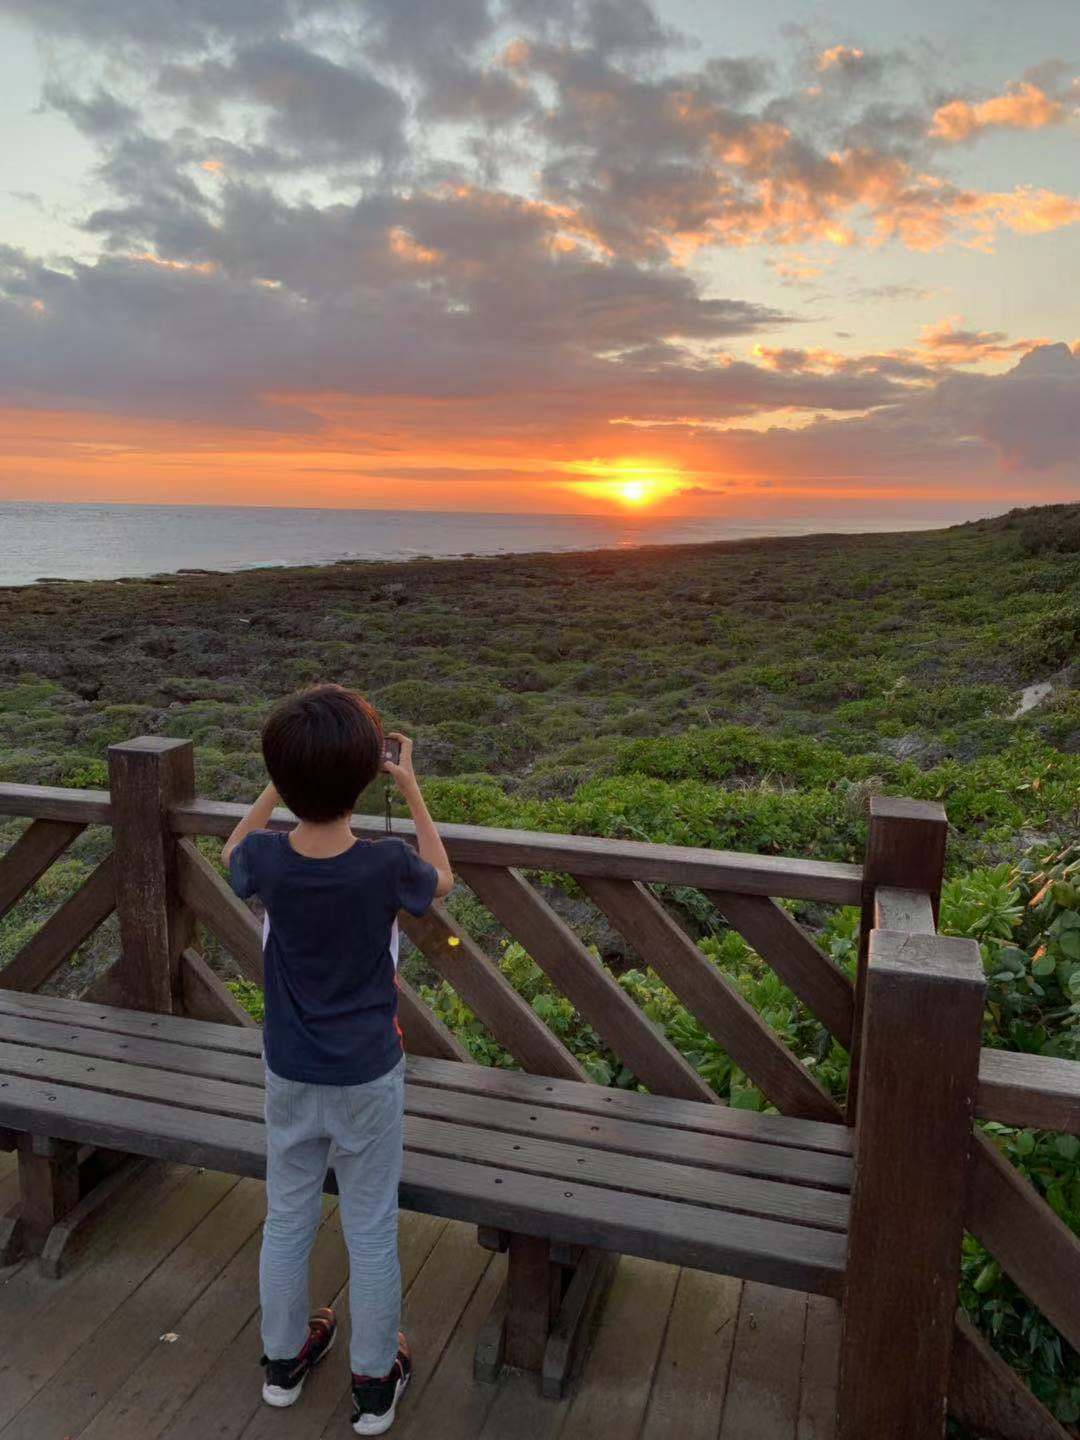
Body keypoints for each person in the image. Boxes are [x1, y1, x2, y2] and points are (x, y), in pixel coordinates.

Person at [221, 684, 453, 1436]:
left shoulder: (266, 860)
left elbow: (230, 851)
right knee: (371, 1227)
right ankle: (375, 1385)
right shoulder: (384, 867)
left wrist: (275, 788)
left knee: (287, 1216)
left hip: (289, 1070)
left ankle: (282, 1364)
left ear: (284, 778)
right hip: (367, 1075)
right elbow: (441, 879)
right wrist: (410, 786)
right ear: (364, 776)